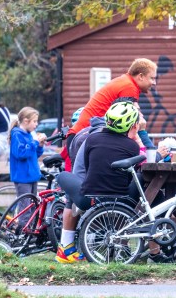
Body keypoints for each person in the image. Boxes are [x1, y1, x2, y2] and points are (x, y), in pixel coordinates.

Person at [55, 100, 142, 263]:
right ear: (133, 126)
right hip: (120, 198)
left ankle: (66, 246)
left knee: (63, 177)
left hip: (91, 198)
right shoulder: (133, 147)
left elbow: (87, 168)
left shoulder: (91, 139)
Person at [65, 58, 158, 160]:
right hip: (84, 138)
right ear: (141, 76)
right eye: (152, 78)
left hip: (80, 136)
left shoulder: (125, 81)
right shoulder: (129, 87)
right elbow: (134, 124)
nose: (154, 83)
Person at [9, 107, 47, 198]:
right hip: (23, 178)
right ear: (26, 121)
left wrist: (40, 146)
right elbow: (21, 153)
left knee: (33, 207)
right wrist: (35, 142)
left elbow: (32, 155)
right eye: (34, 121)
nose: (36, 124)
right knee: (26, 208)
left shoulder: (29, 134)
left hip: (32, 177)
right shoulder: (17, 135)